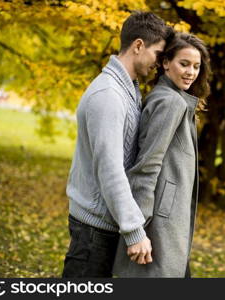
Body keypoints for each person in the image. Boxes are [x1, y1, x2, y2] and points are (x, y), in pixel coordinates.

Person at [62, 11, 173, 277]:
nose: (159, 64)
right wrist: (135, 231)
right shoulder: (109, 95)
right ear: (138, 46)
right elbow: (110, 169)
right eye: (158, 54)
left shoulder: (127, 89)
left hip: (104, 227)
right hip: (94, 232)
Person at [112, 32, 211, 277]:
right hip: (159, 226)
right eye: (184, 64)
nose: (191, 72)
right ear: (166, 63)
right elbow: (147, 165)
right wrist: (137, 228)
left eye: (196, 66)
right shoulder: (170, 103)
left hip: (167, 223)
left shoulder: (170, 98)